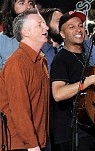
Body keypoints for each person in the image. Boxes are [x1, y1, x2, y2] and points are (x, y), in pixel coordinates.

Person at [50, 11, 95, 151]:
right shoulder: (61, 59)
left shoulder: (85, 57)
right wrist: (88, 81)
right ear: (62, 34)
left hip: (89, 131)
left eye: (80, 25)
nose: (78, 29)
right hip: (71, 136)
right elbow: (58, 94)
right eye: (71, 27)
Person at [0, 8, 50, 151]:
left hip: (39, 141)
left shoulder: (41, 61)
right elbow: (19, 109)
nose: (46, 27)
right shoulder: (17, 63)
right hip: (21, 145)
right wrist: (32, 145)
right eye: (39, 24)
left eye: (45, 24)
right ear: (25, 32)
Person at [0, 0, 35, 71]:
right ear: (11, 8)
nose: (28, 7)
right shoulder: (2, 40)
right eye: (21, 3)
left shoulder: (43, 36)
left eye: (30, 3)